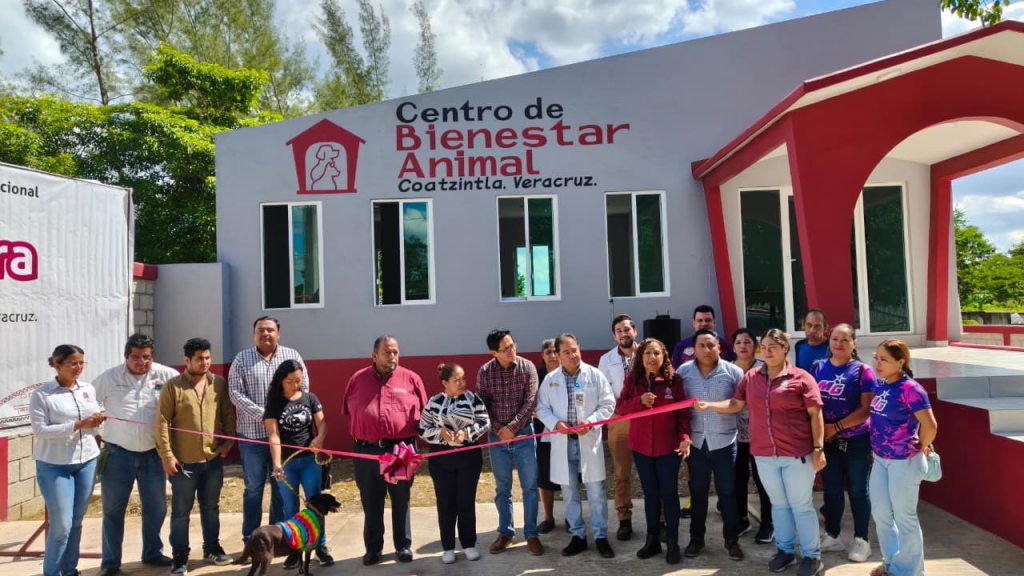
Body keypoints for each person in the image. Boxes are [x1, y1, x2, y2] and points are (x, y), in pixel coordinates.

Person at [696, 328, 827, 576]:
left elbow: (815, 414)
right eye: (763, 347)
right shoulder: (752, 377)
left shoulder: (802, 378)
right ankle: (786, 551)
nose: (767, 352)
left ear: (785, 348)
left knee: (801, 505)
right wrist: (710, 405)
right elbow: (736, 404)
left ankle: (812, 556)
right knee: (778, 505)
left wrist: (819, 449)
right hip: (765, 455)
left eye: (773, 347)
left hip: (797, 454)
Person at [94, 334, 179, 576]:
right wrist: (96, 428)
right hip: (117, 455)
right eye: (136, 357)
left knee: (156, 507)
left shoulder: (166, 375)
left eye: (146, 357)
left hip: (153, 455)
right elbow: (87, 401)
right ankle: (110, 563)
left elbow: (180, 404)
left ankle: (152, 552)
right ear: (126, 357)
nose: (141, 362)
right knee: (113, 510)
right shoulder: (109, 378)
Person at [343, 335, 428, 565]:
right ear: (374, 355)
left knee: (401, 500)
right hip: (367, 451)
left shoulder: (411, 379)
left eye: (396, 352)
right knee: (371, 502)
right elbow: (349, 411)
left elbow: (424, 415)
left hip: (400, 450)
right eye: (387, 352)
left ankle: (403, 546)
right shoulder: (357, 379)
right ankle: (373, 549)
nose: (393, 357)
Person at [156, 337, 236, 574]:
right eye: (199, 359)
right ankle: (180, 556)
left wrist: (228, 442)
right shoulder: (173, 387)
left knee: (211, 507)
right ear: (187, 360)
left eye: (208, 358)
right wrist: (167, 456)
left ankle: (212, 548)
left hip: (212, 460)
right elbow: (161, 422)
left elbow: (227, 414)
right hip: (183, 463)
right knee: (181, 512)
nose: (205, 363)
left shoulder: (218, 383)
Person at [228, 316, 309, 545]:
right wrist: (264, 416)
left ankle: (275, 538)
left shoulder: (292, 356)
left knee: (279, 487)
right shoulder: (242, 359)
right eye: (260, 330)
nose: (266, 334)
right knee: (253, 488)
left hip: (283, 437)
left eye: (270, 330)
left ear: (278, 333)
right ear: (254, 333)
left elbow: (303, 389)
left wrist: (280, 416)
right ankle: (251, 538)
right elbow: (235, 393)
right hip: (251, 437)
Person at [536, 333, 617, 559]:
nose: (573, 355)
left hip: (588, 441)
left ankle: (601, 536)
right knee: (569, 492)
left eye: (575, 350)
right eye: (566, 352)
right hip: (563, 443)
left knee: (596, 492)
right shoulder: (551, 379)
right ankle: (578, 536)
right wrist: (555, 423)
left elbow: (608, 403)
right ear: (558, 355)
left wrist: (590, 422)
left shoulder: (595, 375)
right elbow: (541, 408)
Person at [30, 344, 105, 576]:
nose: (78, 367)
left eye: (81, 362)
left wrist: (99, 420)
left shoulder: (88, 389)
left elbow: (95, 419)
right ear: (57, 364)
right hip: (54, 466)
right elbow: (40, 430)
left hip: (87, 461)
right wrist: (78, 425)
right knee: (61, 525)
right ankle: (51, 572)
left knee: (76, 521)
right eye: (73, 363)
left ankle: (70, 569)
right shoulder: (42, 395)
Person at [615, 338, 691, 564]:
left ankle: (673, 541)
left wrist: (685, 438)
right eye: (647, 353)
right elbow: (620, 407)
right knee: (650, 495)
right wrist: (639, 401)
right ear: (641, 357)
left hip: (668, 447)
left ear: (663, 356)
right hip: (641, 447)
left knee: (669, 494)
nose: (652, 357)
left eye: (656, 353)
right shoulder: (634, 379)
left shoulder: (674, 380)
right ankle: (652, 540)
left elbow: (684, 414)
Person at [869, 339, 938, 576]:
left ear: (901, 362)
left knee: (904, 517)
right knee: (880, 513)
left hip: (904, 461)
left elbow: (930, 425)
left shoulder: (911, 389)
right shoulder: (881, 385)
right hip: (880, 459)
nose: (878, 363)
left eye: (884, 359)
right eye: (876, 357)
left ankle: (911, 571)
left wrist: (923, 445)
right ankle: (892, 565)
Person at [678, 329, 745, 561]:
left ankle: (731, 540)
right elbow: (679, 408)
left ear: (719, 347)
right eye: (701, 346)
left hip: (724, 442)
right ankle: (696, 539)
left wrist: (712, 405)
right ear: (693, 349)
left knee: (727, 493)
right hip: (696, 444)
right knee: (698, 494)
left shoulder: (734, 372)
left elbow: (738, 404)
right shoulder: (683, 372)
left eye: (711, 345)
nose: (706, 350)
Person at [476, 329, 543, 555]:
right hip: (497, 439)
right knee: (502, 488)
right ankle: (506, 532)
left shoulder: (527, 368)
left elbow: (530, 402)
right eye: (506, 349)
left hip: (524, 434)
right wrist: (499, 430)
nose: (512, 350)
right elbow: (482, 406)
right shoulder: (485, 372)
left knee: (530, 487)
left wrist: (512, 428)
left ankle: (531, 534)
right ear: (493, 352)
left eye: (513, 345)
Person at [813, 323, 875, 563]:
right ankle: (833, 535)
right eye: (835, 339)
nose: (838, 344)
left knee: (859, 490)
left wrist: (836, 427)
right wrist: (822, 432)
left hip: (857, 440)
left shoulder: (862, 371)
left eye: (845, 340)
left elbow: (866, 409)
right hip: (827, 442)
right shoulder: (818, 367)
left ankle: (862, 540)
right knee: (832, 491)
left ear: (854, 344)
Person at [418, 363, 490, 564]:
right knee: (446, 503)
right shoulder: (434, 402)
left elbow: (485, 422)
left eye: (463, 379)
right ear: (445, 383)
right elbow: (422, 428)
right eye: (457, 380)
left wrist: (465, 433)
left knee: (466, 502)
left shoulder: (473, 399)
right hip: (441, 459)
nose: (462, 383)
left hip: (468, 457)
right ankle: (448, 547)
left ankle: (469, 544)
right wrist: (440, 433)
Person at [263, 359, 332, 568]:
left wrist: (319, 439)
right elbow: (273, 436)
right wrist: (277, 464)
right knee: (290, 508)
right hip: (287, 463)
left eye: (299, 380)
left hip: (310, 461)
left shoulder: (310, 398)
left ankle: (320, 546)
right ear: (281, 381)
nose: (296, 385)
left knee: (315, 505)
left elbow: (323, 424)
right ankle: (294, 549)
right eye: (291, 381)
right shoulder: (274, 403)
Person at [597, 313, 639, 540]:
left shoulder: (648, 352)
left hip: (646, 420)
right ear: (615, 336)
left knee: (653, 472)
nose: (624, 334)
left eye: (627, 329)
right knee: (622, 472)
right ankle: (624, 519)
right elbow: (603, 392)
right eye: (619, 331)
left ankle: (660, 519)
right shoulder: (606, 360)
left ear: (635, 331)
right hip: (619, 419)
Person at [731, 328, 773, 545]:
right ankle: (741, 519)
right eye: (739, 342)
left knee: (762, 479)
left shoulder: (764, 369)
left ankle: (768, 522)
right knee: (738, 479)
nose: (743, 346)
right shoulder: (729, 369)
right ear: (733, 347)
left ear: (755, 347)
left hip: (761, 435)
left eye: (747, 342)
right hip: (735, 435)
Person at [534, 338, 562, 534]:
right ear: (542, 356)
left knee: (570, 477)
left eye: (554, 351)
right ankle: (548, 518)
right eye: (548, 352)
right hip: (543, 435)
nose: (552, 356)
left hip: (569, 434)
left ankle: (572, 517)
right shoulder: (536, 377)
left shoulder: (570, 372)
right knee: (544, 478)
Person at [671, 305, 736, 369]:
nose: (704, 324)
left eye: (708, 320)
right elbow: (676, 373)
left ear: (714, 323)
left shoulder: (726, 347)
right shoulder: (681, 347)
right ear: (694, 324)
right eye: (700, 320)